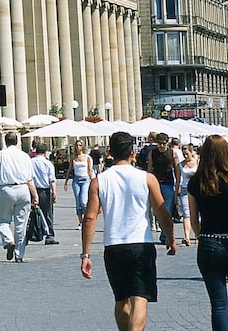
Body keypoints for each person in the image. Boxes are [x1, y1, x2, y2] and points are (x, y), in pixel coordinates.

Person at [81, 131, 177, 331]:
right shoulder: (147, 178)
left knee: (121, 299)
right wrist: (171, 237)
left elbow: (90, 217)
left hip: (114, 246)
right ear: (133, 153)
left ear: (110, 152)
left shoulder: (99, 181)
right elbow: (162, 212)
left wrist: (86, 254)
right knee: (140, 298)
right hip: (141, 245)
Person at [187, 135, 228, 331]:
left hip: (209, 244)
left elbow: (193, 220)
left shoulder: (196, 182)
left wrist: (201, 236)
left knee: (218, 303)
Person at [0, 130, 37, 263]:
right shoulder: (25, 156)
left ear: (5, 142)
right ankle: (19, 255)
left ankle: (8, 240)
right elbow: (29, 179)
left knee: (2, 221)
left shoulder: (0, 155)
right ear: (17, 141)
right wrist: (35, 195)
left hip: (6, 189)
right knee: (21, 224)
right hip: (23, 189)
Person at [147, 133, 181, 245]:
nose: (162, 146)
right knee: (157, 211)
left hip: (168, 184)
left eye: (164, 143)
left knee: (167, 211)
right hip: (155, 184)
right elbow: (149, 170)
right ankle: (163, 231)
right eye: (160, 143)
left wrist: (178, 185)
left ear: (167, 143)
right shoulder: (153, 153)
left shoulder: (172, 153)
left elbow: (177, 170)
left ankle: (164, 235)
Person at [30, 142, 58, 245]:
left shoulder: (30, 162)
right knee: (47, 213)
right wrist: (54, 192)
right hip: (44, 191)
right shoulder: (48, 163)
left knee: (31, 213)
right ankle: (49, 235)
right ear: (45, 152)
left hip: (31, 190)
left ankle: (30, 233)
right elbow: (52, 180)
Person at [63, 140, 95, 226]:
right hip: (76, 180)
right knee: (78, 202)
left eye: (80, 145)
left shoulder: (87, 157)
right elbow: (70, 169)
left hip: (85, 179)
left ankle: (86, 219)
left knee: (83, 201)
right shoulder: (73, 157)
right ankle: (80, 222)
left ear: (83, 146)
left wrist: (93, 182)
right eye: (77, 145)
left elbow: (90, 170)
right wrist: (66, 182)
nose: (78, 147)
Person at [179, 144, 198, 247]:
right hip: (185, 189)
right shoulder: (181, 164)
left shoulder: (198, 162)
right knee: (186, 214)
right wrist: (176, 191)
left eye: (187, 154)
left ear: (192, 152)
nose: (185, 156)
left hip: (197, 189)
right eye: (184, 154)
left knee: (196, 213)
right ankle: (186, 237)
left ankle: (196, 236)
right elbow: (178, 179)